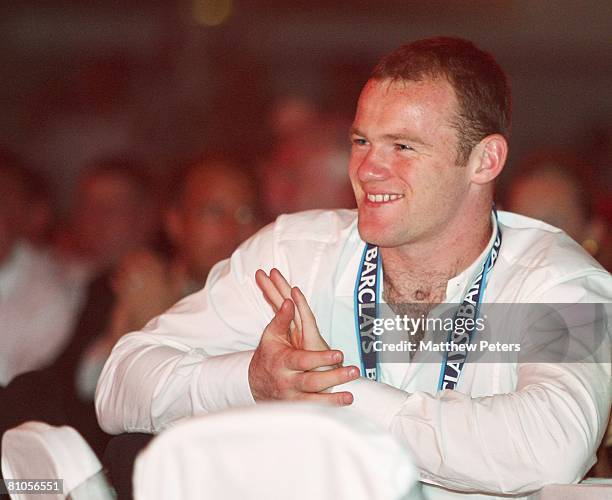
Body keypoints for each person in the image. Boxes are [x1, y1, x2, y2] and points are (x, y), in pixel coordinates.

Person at [96, 37, 611, 499]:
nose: (367, 169)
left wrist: (337, 397)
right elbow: (120, 383)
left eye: (403, 146)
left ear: (485, 160)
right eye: (361, 141)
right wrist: (252, 381)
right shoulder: (295, 253)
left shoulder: (561, 281)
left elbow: (551, 447)